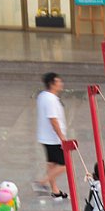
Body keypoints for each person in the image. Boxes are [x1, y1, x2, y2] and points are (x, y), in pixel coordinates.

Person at [35, 72, 68, 200]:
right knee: (65, 165)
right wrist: (61, 137)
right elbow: (53, 119)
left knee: (52, 165)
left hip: (45, 137)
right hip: (53, 138)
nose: (61, 84)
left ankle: (55, 190)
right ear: (52, 84)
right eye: (58, 82)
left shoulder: (43, 96)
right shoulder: (50, 99)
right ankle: (42, 183)